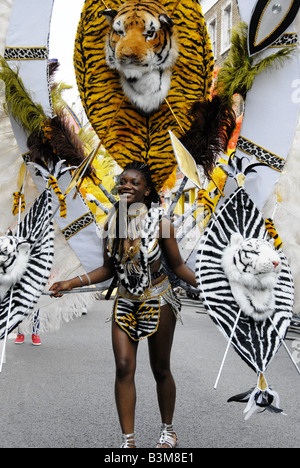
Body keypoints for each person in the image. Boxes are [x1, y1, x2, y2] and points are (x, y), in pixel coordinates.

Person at [50, 162, 197, 448]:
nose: (126, 186)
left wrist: (209, 287)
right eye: (123, 181)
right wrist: (71, 282)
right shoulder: (113, 222)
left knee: (161, 368)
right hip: (126, 301)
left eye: (134, 183)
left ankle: (168, 430)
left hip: (159, 299)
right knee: (123, 366)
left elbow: (178, 266)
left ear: (147, 190)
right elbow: (108, 271)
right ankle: (127, 441)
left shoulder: (161, 223)